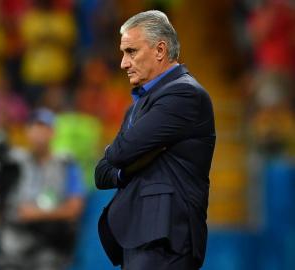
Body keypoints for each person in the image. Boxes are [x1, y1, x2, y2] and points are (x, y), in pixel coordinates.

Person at [95, 10, 216, 270]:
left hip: (166, 237)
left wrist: (121, 157)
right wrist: (128, 167)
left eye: (131, 51)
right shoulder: (136, 107)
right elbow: (101, 172)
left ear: (160, 50)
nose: (123, 63)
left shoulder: (184, 95)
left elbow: (117, 154)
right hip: (138, 236)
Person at [0, 108, 85, 270]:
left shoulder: (66, 164)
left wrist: (36, 214)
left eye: (45, 127)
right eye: (35, 127)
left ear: (53, 132)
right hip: (14, 247)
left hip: (49, 248)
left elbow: (75, 208)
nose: (40, 133)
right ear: (27, 131)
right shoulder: (13, 163)